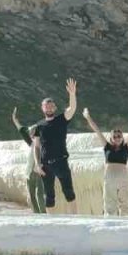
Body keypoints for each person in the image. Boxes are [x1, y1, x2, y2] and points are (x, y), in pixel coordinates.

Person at [83, 107, 128, 216]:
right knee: (109, 204)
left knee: (126, 204)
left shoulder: (126, 147)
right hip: (109, 178)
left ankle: (127, 224)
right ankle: (109, 224)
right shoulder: (107, 146)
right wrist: (88, 117)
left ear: (122, 138)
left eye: (119, 136)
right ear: (111, 138)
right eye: (115, 136)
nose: (117, 138)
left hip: (123, 178)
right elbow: (97, 130)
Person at [35, 78, 78, 213]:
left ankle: (76, 219)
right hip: (45, 165)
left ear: (55, 108)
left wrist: (72, 94)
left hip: (61, 162)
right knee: (49, 195)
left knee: (68, 191)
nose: (49, 108)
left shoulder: (61, 120)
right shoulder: (39, 126)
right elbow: (36, 147)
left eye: (51, 105)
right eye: (46, 106)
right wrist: (37, 164)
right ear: (42, 108)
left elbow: (72, 109)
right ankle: (50, 222)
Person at [12, 108, 47, 214]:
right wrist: (15, 120)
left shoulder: (45, 144)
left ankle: (43, 214)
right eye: (31, 132)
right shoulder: (32, 143)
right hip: (30, 172)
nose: (31, 134)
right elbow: (22, 130)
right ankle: (37, 214)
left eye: (33, 132)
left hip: (40, 172)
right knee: (32, 194)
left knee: (39, 194)